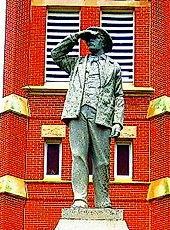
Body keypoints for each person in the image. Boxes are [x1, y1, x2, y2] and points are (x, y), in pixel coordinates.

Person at [51, 27, 124, 209]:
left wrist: (117, 121)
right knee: (78, 156)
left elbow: (119, 96)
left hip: (102, 116)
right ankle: (80, 199)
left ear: (104, 42)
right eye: (88, 38)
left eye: (95, 37)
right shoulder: (77, 64)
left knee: (102, 161)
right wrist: (75, 37)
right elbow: (56, 54)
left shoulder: (113, 68)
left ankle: (102, 201)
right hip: (77, 113)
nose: (90, 41)